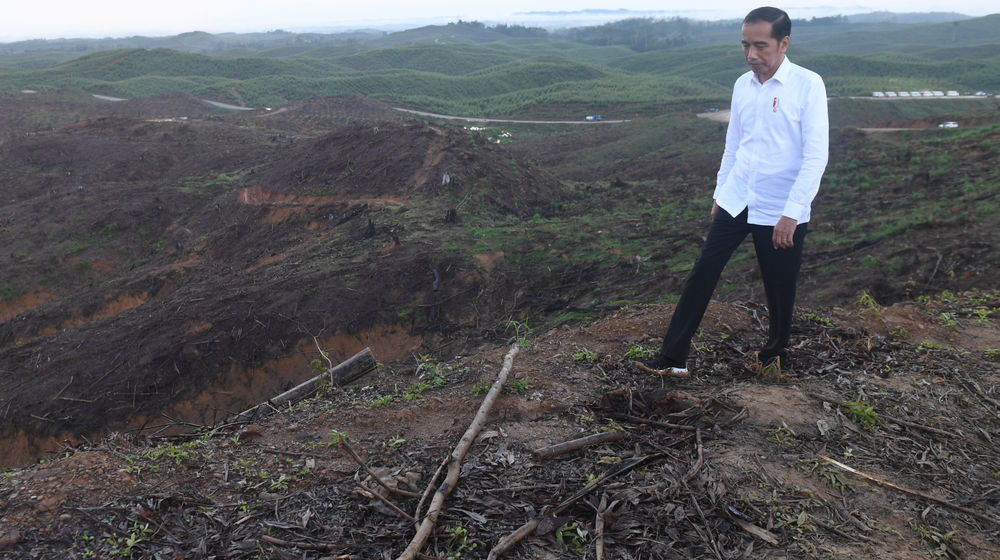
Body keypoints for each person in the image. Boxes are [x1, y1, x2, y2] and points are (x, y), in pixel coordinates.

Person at [637, 6, 828, 378]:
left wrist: (793, 210)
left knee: (779, 285)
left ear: (784, 43)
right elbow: (734, 145)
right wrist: (720, 192)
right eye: (745, 46)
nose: (751, 55)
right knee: (703, 271)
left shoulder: (808, 85)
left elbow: (816, 155)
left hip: (780, 205)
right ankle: (673, 358)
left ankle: (774, 359)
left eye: (761, 46)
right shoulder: (742, 85)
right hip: (738, 196)